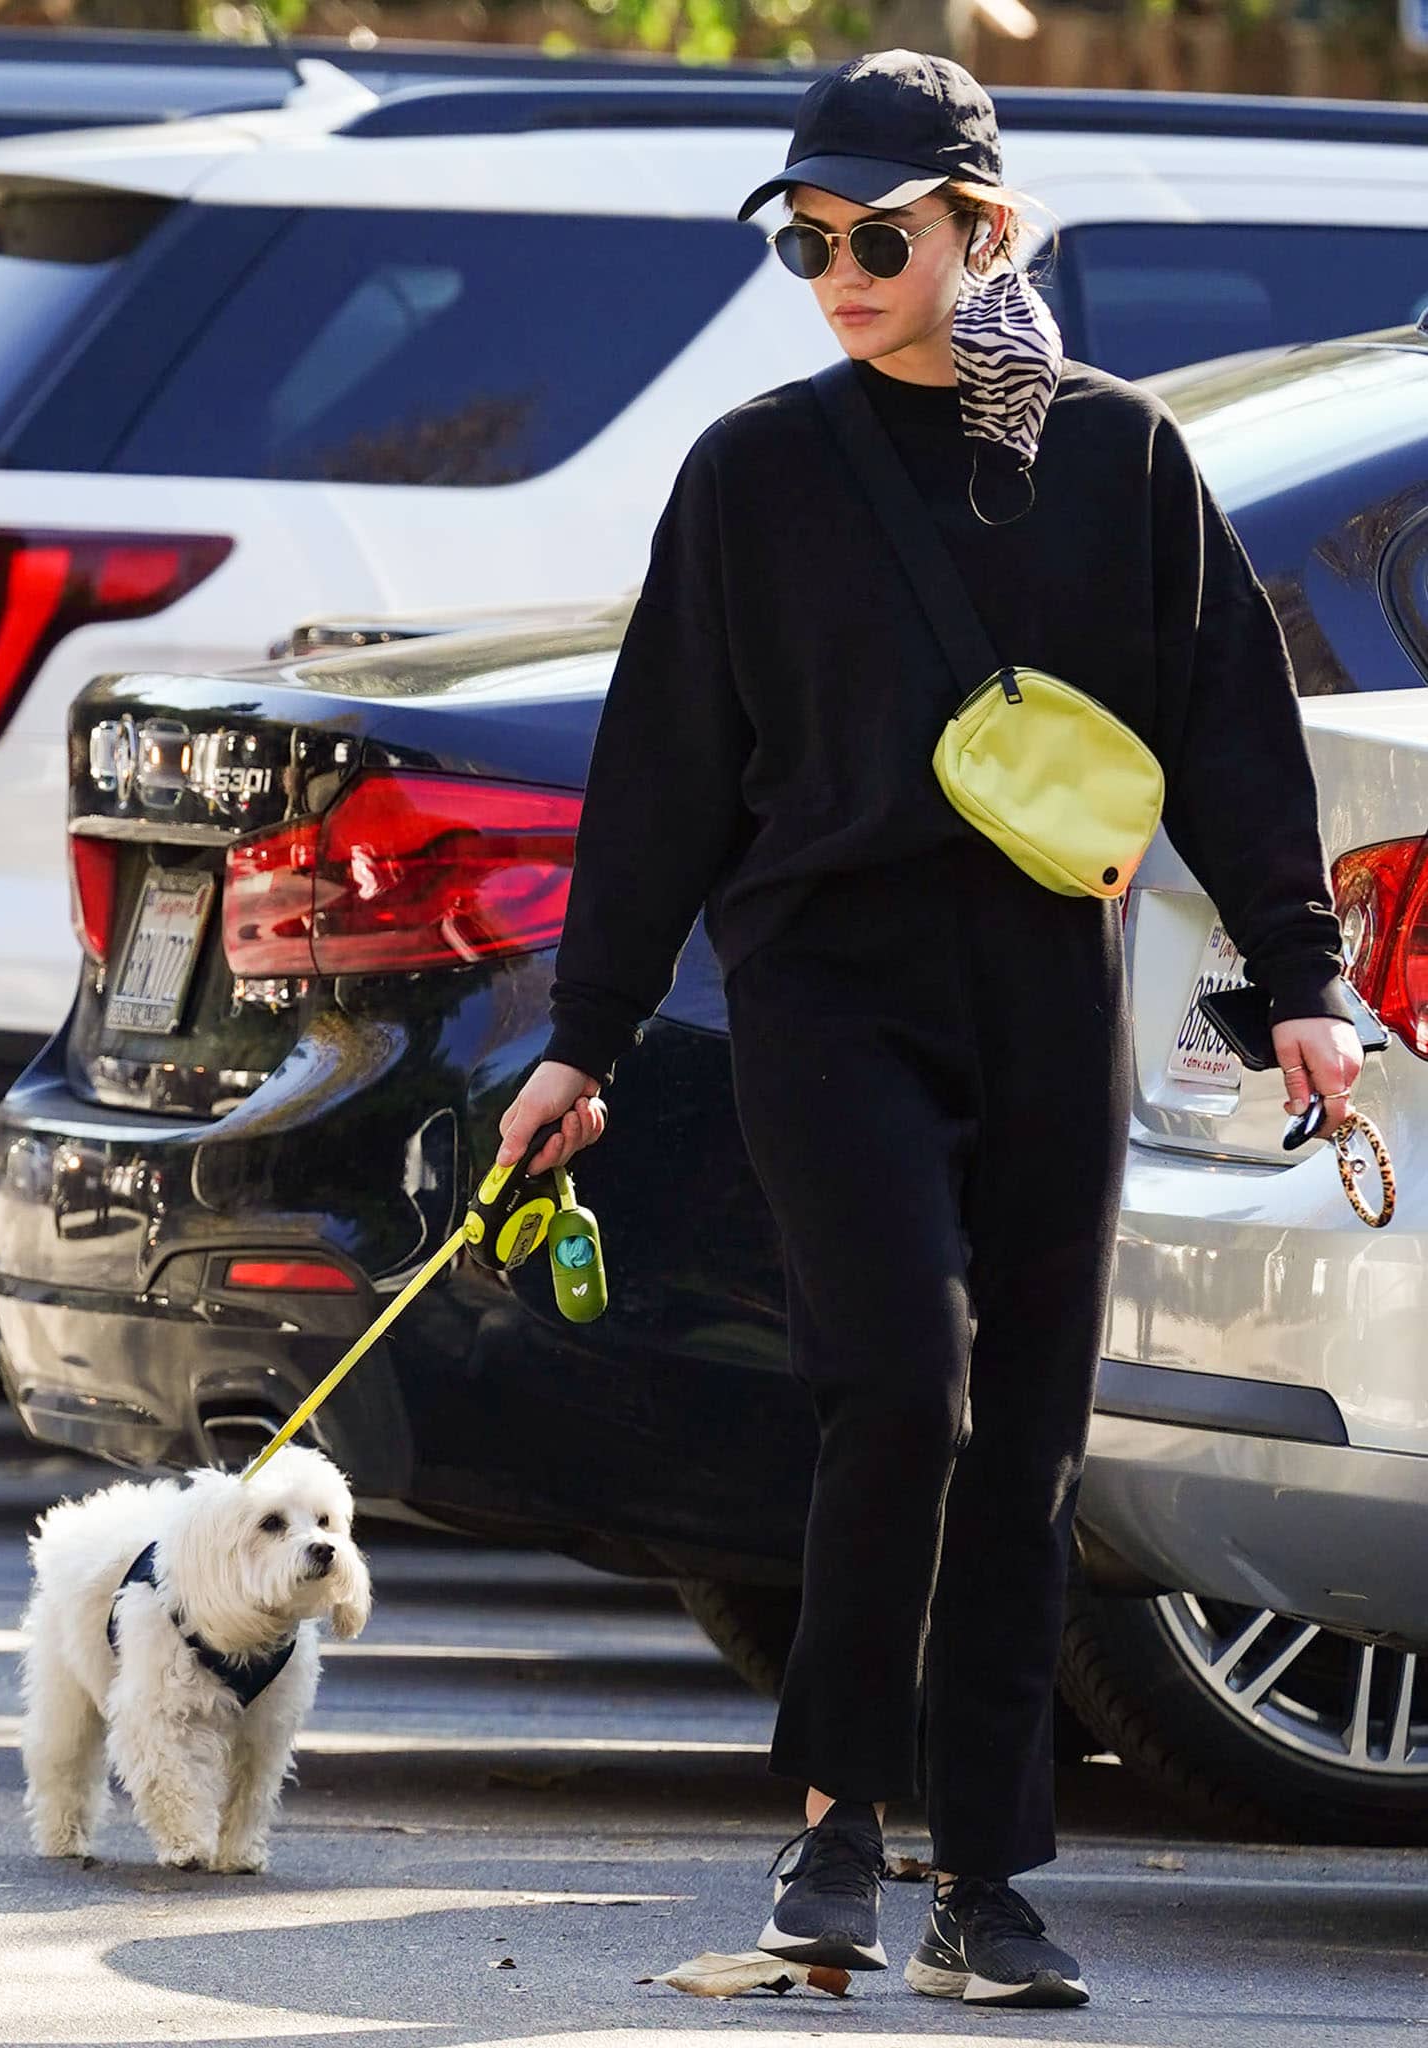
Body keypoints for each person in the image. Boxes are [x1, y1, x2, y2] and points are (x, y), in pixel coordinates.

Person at [492, 48, 1363, 2010]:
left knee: (1026, 1446)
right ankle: (827, 1826)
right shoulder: (754, 472)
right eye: (803, 237)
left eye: (870, 233)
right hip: (825, 995)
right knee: (900, 1387)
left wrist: (1298, 982)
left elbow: (1228, 722)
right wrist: (587, 1036)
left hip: (1046, 993)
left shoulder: (1118, 459)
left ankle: (987, 1875)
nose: (833, 269)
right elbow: (656, 779)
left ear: (986, 231)